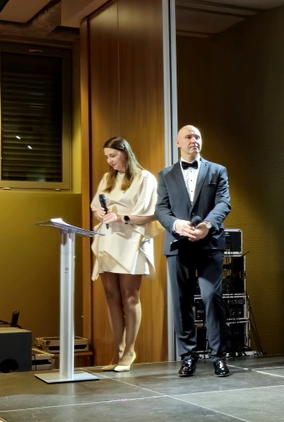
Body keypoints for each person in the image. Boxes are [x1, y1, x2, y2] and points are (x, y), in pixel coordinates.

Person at [155, 125, 232, 377]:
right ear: (178, 142)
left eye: (197, 136)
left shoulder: (217, 170)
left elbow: (224, 202)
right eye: (188, 137)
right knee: (181, 301)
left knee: (212, 297)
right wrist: (177, 224)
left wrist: (207, 225)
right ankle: (188, 356)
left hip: (209, 243)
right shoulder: (165, 175)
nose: (194, 140)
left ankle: (219, 357)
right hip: (178, 244)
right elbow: (161, 209)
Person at [90, 136, 160, 372]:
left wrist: (122, 217)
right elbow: (96, 207)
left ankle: (130, 351)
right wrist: (101, 214)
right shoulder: (107, 178)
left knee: (130, 296)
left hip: (132, 239)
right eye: (107, 157)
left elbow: (152, 214)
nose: (109, 161)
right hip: (108, 238)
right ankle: (117, 351)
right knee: (111, 296)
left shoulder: (144, 177)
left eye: (113, 155)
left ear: (125, 152)